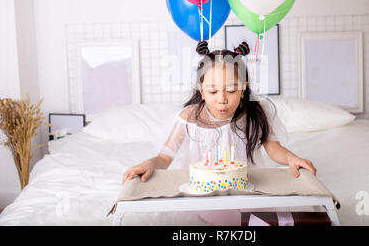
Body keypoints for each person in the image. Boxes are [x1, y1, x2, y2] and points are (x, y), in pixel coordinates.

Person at [122, 40, 317, 225]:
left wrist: (292, 158)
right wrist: (149, 163)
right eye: (213, 92)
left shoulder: (255, 113)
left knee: (264, 212)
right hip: (203, 193)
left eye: (231, 91)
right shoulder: (189, 117)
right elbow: (164, 158)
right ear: (201, 90)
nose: (222, 100)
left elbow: (274, 149)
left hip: (245, 186)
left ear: (243, 89)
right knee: (224, 215)